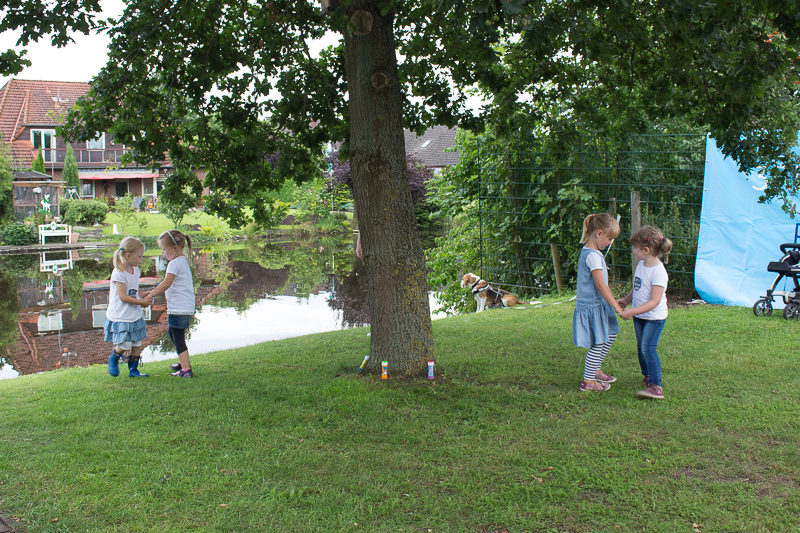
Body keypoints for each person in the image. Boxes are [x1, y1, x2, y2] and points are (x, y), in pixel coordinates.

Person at [618, 226, 672, 400]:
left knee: (648, 348)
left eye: (635, 247)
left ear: (646, 250)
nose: (633, 251)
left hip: (654, 318)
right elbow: (638, 287)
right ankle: (647, 376)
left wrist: (632, 312)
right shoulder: (642, 265)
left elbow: (654, 301)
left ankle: (656, 386)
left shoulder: (659, 272)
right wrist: (626, 300)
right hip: (640, 316)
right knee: (641, 348)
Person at [573, 213, 624, 392]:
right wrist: (617, 307)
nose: (610, 243)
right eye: (609, 238)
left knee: (610, 334)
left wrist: (612, 304)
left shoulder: (593, 253)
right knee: (598, 342)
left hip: (600, 305)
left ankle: (594, 370)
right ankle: (588, 381)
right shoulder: (592, 256)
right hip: (592, 307)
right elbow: (601, 286)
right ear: (598, 233)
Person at [144, 229, 196, 377]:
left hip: (179, 307)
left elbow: (166, 283)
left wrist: (150, 294)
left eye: (164, 249)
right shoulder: (182, 261)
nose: (163, 253)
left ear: (174, 248)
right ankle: (183, 361)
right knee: (172, 333)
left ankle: (186, 370)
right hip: (183, 306)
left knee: (178, 337)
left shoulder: (174, 264)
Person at [105, 236, 152, 378]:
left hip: (133, 314)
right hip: (121, 315)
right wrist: (142, 303)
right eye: (139, 256)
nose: (141, 259)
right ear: (127, 255)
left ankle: (133, 370)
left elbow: (134, 287)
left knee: (137, 344)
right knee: (125, 344)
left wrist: (142, 294)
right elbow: (123, 297)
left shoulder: (135, 270)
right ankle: (113, 358)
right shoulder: (118, 273)